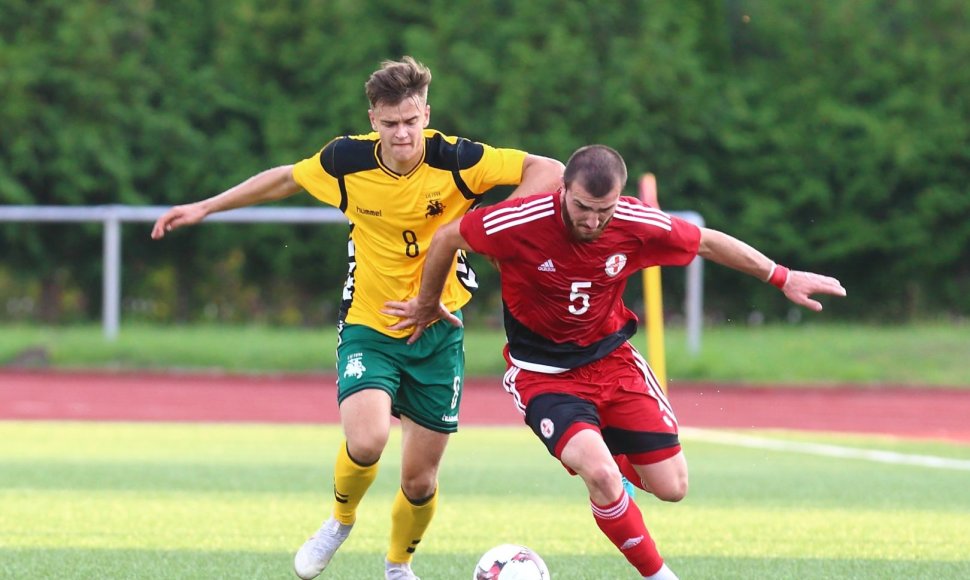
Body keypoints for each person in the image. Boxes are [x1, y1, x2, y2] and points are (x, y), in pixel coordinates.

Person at [150, 56, 564, 580]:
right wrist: (206, 207)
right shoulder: (346, 161)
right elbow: (284, 180)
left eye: (411, 122)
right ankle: (339, 523)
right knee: (367, 441)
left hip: (440, 330)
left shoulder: (458, 159)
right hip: (371, 324)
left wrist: (490, 229)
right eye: (390, 124)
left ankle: (397, 566)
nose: (402, 134)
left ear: (426, 115)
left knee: (420, 481)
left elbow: (549, 170)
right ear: (373, 120)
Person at [383, 144, 846, 579]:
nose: (592, 220)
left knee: (672, 487)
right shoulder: (516, 222)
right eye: (582, 207)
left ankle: (603, 459)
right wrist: (427, 304)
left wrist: (781, 276)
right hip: (544, 377)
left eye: (603, 210)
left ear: (618, 199)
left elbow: (705, 242)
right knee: (601, 474)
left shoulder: (633, 222)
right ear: (564, 189)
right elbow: (447, 238)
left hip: (613, 364)